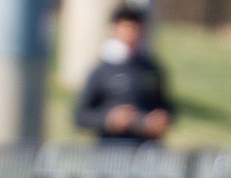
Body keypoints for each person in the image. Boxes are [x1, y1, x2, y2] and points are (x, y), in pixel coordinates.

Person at [74, 5, 175, 144]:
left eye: (136, 28)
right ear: (114, 29)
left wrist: (161, 119)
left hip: (147, 152)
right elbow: (81, 116)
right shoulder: (101, 71)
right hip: (112, 153)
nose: (132, 34)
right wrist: (110, 119)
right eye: (127, 28)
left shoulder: (151, 69)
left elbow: (167, 108)